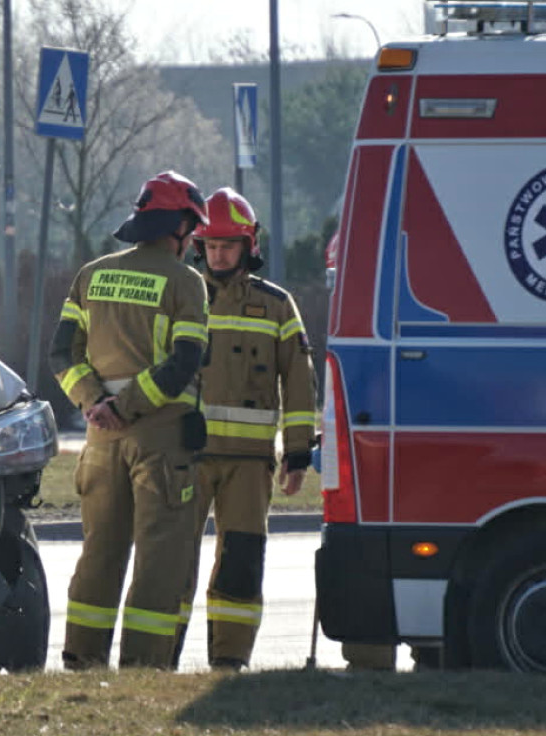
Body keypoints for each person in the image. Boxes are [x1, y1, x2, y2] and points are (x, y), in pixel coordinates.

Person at [49, 171, 212, 670]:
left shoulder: (91, 274)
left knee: (100, 551)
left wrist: (94, 402)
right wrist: (127, 406)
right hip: (158, 438)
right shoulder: (187, 283)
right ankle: (144, 668)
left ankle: (82, 658)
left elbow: (60, 354)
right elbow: (184, 361)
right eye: (194, 229)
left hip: (99, 440)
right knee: (159, 557)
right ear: (180, 225)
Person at [175, 188, 316, 672]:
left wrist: (298, 455)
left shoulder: (277, 306)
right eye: (210, 246)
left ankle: (229, 663)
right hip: (183, 457)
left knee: (241, 564)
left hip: (250, 463)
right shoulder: (180, 296)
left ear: (248, 245)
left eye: (227, 245)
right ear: (199, 246)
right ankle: (154, 664)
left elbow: (299, 382)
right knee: (171, 564)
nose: (218, 254)